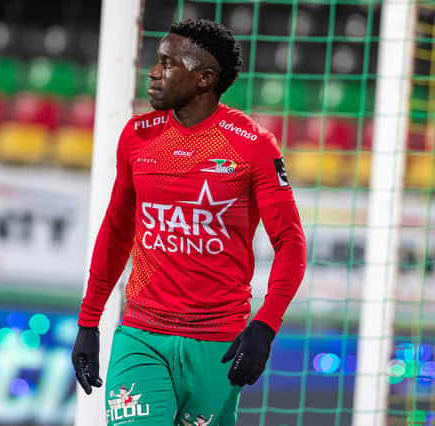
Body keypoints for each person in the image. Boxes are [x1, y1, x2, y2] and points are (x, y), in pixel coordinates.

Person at [72, 18, 306, 426]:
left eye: (167, 63)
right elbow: (115, 231)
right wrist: (89, 321)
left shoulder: (252, 146)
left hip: (217, 343)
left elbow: (290, 242)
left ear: (204, 79)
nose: (153, 71)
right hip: (142, 336)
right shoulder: (136, 136)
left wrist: (266, 326)